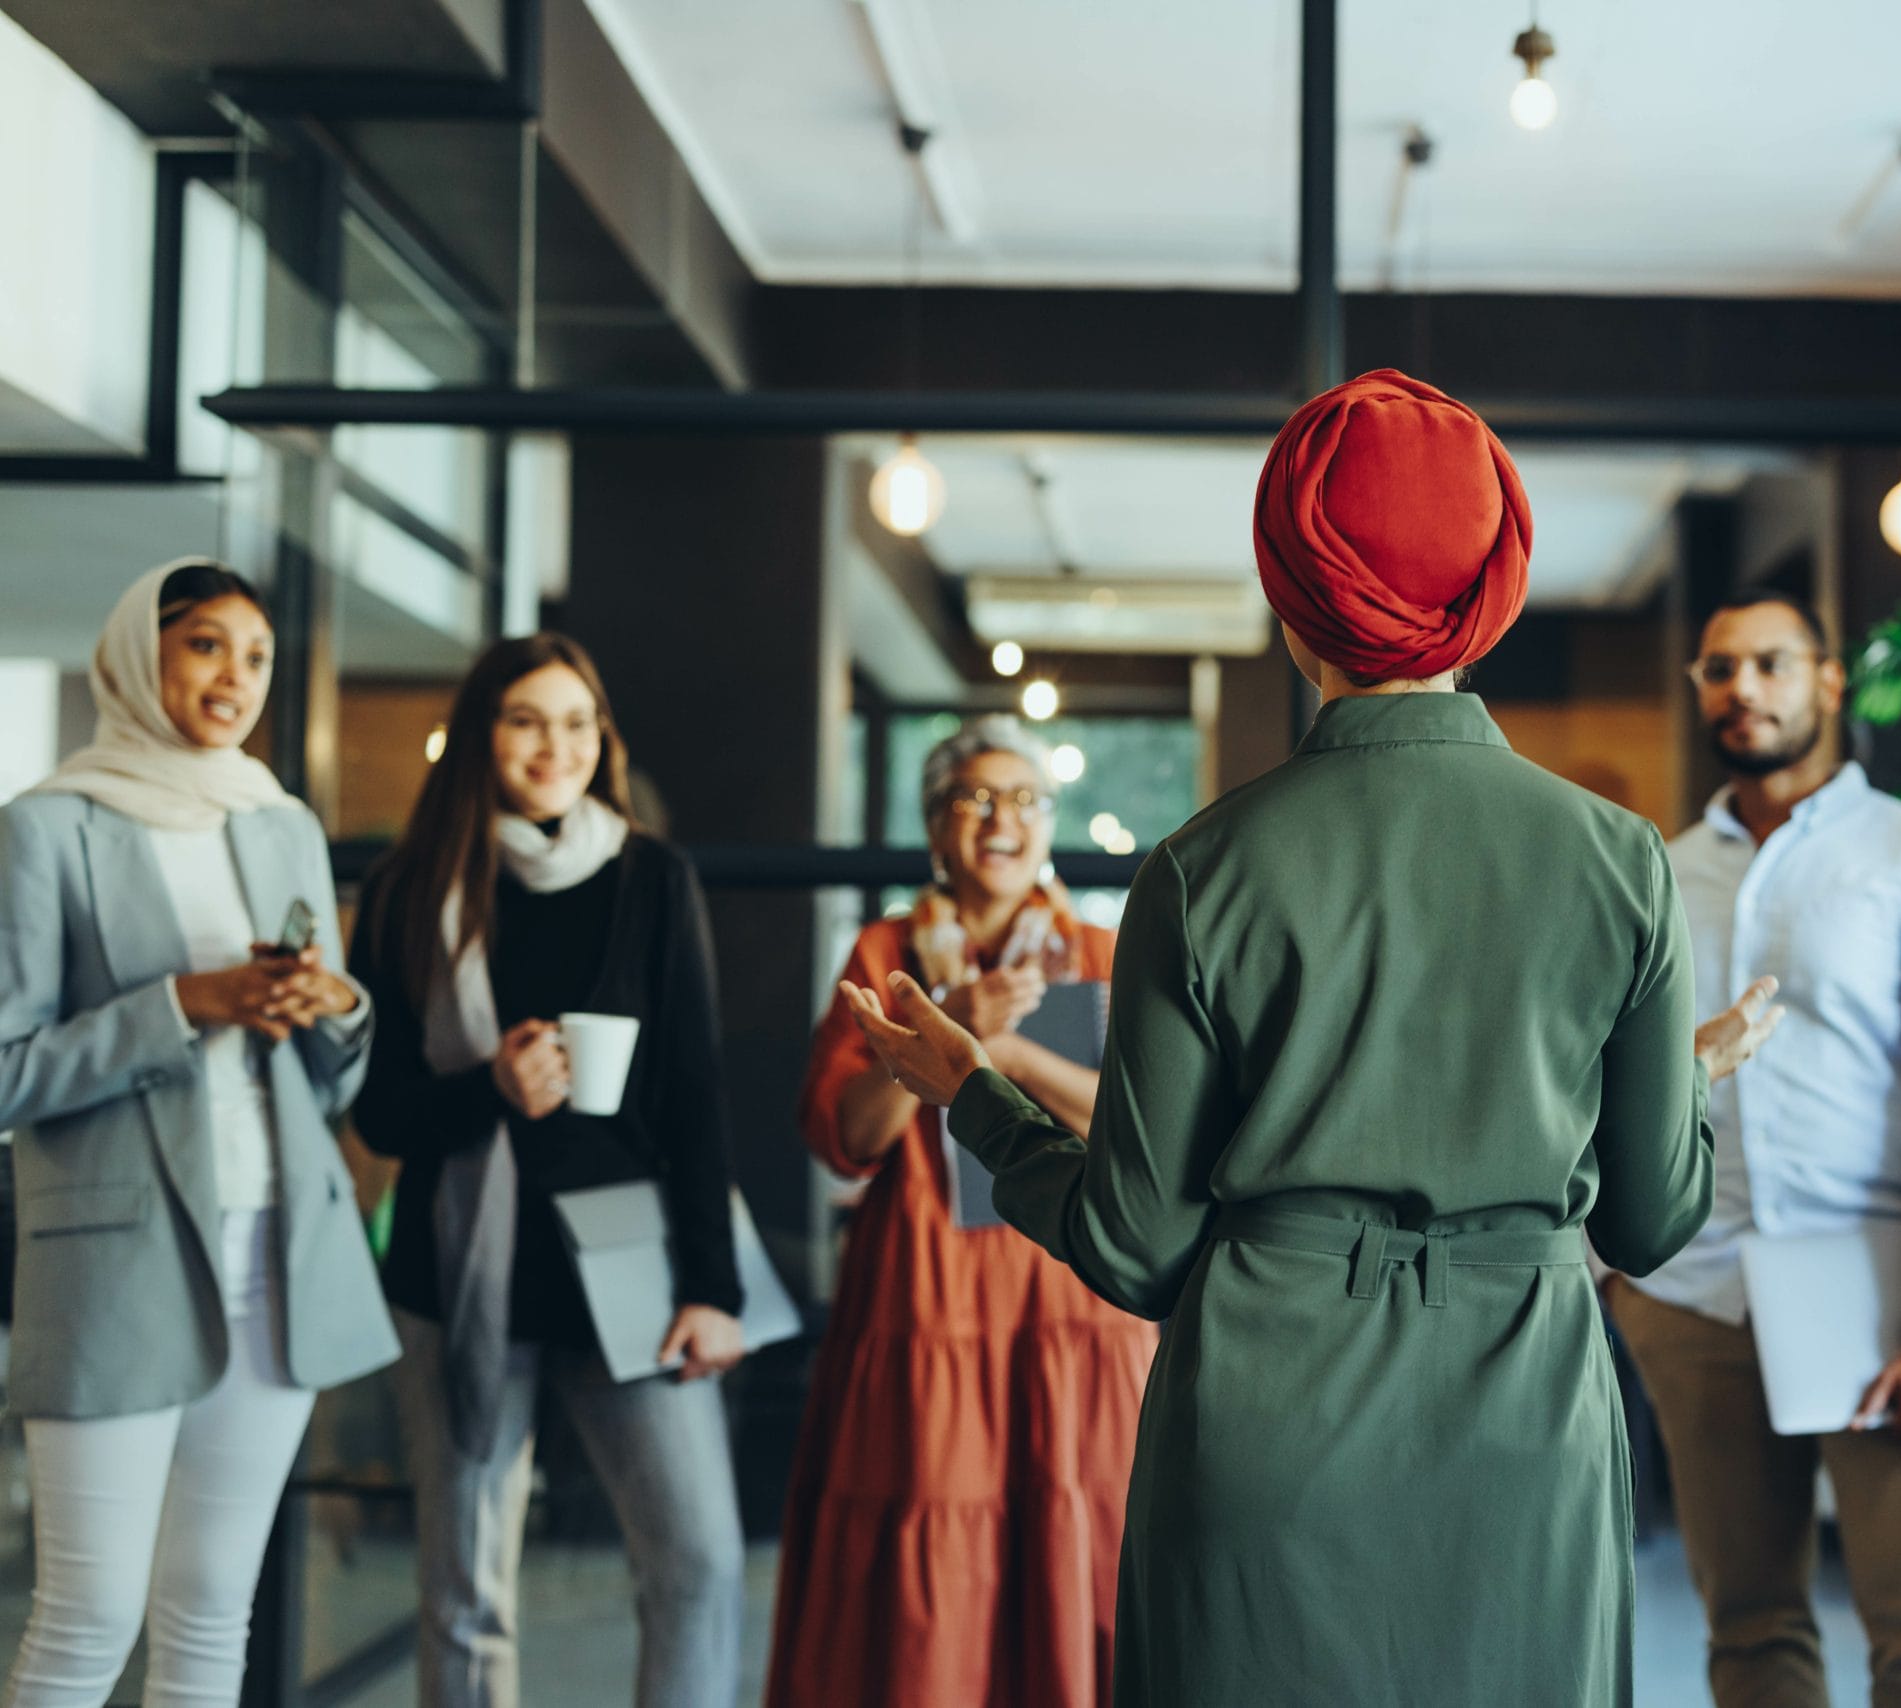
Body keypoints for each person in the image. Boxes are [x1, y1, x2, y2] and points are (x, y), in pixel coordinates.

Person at [845, 369, 1782, 1707]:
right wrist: (1681, 1079)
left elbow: (1133, 1244)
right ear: (1488, 595)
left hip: (1259, 1430)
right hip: (1523, 1426)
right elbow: (1649, 1220)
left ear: (1292, 604)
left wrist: (975, 1096)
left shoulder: (1198, 868)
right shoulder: (1621, 863)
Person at [1609, 588, 1901, 1708]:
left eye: (1771, 663)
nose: (1743, 688)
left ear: (1828, 682)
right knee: (1746, 1630)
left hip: (1879, 1303)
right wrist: (1623, 1273)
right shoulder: (1658, 872)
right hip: (1695, 1296)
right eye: (1719, 668)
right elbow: (1617, 1075)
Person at [0, 560, 397, 1707]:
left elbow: (326, 1085)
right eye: (207, 645)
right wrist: (187, 1003)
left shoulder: (279, 824)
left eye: (257, 654)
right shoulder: (47, 828)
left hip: (277, 1250)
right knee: (87, 1614)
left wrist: (336, 1009)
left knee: (215, 1604)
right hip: (115, 1261)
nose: (237, 677)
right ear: (142, 653)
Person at [347, 634, 747, 1708]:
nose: (553, 745)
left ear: (602, 740)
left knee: (699, 1561)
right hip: (458, 1265)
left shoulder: (649, 877)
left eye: (577, 722)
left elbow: (696, 1092)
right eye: (526, 718)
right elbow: (379, 1112)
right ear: (482, 735)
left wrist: (714, 1288)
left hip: (628, 1258)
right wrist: (491, 1086)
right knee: (465, 1589)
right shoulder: (406, 889)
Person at [765, 715, 1150, 1708]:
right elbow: (843, 1135)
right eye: (974, 797)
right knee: (931, 1542)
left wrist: (1003, 1056)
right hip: (923, 1290)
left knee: (1081, 1529)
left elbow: (1139, 1128)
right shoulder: (887, 949)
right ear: (936, 826)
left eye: (1023, 798)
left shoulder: (1101, 952)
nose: (1001, 819)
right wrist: (944, 1031)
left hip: (1069, 1283)